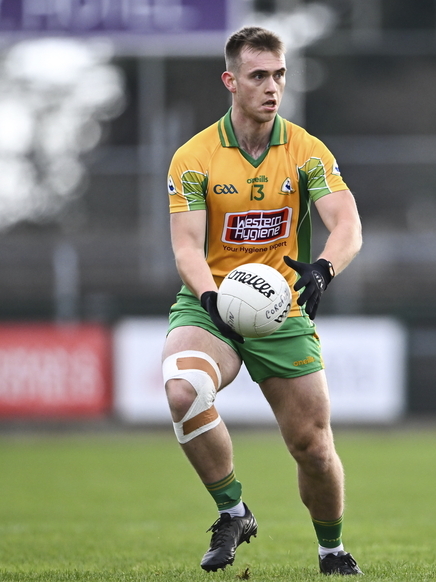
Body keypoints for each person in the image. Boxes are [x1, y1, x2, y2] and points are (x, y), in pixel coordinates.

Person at [162, 27, 363, 575]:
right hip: (211, 303)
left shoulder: (306, 150)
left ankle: (331, 550)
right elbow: (185, 247)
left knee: (314, 448)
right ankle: (233, 511)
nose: (272, 87)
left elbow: (347, 224)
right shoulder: (194, 157)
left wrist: (323, 267)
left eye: (279, 75)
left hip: (281, 309)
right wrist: (208, 297)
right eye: (258, 76)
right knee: (183, 391)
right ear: (231, 81)